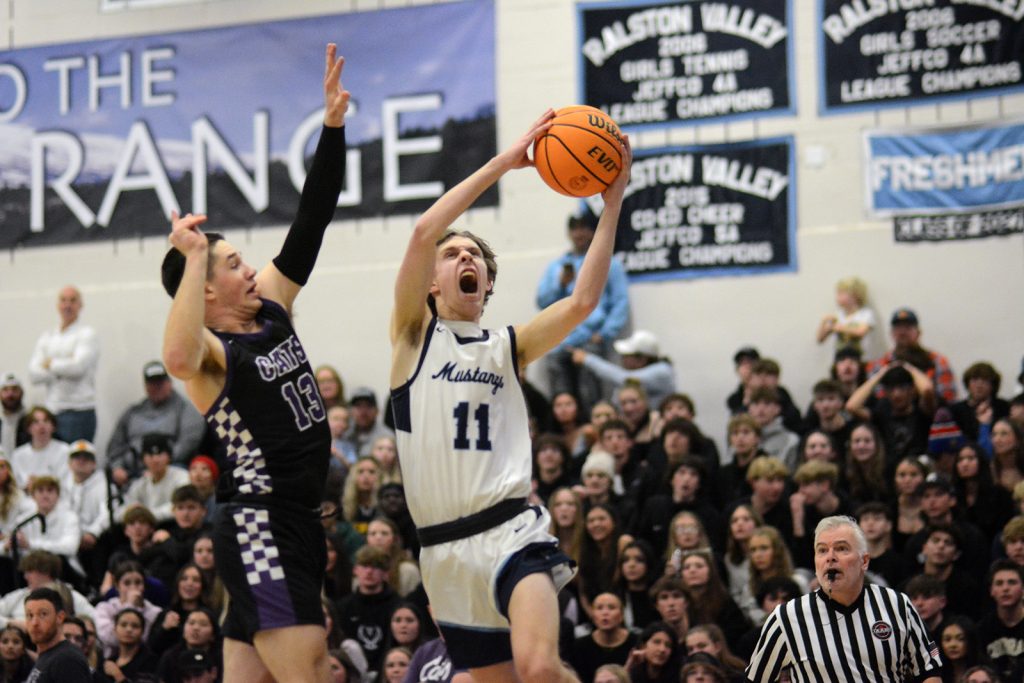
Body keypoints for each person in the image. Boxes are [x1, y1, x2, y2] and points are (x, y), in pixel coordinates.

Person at [387, 108, 631, 683]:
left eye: (474, 255)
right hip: (442, 554)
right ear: (429, 281)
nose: (463, 258)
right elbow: (423, 231)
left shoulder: (508, 346)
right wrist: (507, 161)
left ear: (488, 283)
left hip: (510, 529)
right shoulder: (412, 337)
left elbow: (580, 303)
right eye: (452, 255)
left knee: (541, 667)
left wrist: (613, 203)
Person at [158, 43, 349, 683]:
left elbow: (312, 222)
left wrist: (331, 129)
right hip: (260, 526)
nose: (249, 266)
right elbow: (178, 354)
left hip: (291, 523)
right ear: (206, 291)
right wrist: (191, 257)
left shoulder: (269, 308)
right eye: (234, 263)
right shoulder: (215, 356)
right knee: (314, 674)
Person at [745, 515, 942, 682]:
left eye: (841, 548)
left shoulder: (897, 604)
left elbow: (930, 668)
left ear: (864, 561)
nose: (830, 557)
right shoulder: (787, 617)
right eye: (822, 550)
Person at [536, 211, 631, 414]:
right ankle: (564, 428)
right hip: (562, 338)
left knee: (590, 389)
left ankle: (593, 423)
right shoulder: (557, 267)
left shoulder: (609, 264)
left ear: (593, 231)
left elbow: (620, 302)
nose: (579, 234)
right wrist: (560, 285)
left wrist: (604, 334)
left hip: (591, 337)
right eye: (574, 228)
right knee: (558, 384)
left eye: (584, 228)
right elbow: (542, 301)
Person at [106, 361, 207, 485]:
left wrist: (157, 466)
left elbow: (188, 444)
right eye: (152, 383)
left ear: (169, 382)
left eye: (160, 382)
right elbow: (115, 447)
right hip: (131, 473)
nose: (156, 387)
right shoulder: (133, 412)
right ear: (145, 386)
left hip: (170, 469)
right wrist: (117, 467)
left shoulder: (186, 409)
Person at [27, 286, 100, 443]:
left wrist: (50, 363)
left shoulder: (87, 334)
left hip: (80, 411)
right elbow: (33, 374)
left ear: (80, 305)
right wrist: (64, 364)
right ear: (57, 305)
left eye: (73, 301)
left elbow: (78, 367)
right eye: (63, 300)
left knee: (77, 465)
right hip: (52, 410)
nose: (67, 305)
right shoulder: (47, 337)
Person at [867, 307, 956, 404]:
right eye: (898, 328)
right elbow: (878, 401)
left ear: (918, 333)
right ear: (891, 334)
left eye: (908, 327)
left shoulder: (937, 361)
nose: (902, 332)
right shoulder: (880, 365)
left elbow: (947, 399)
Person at [571, 330, 675, 412]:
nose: (622, 359)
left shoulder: (662, 371)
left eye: (626, 356)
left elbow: (625, 378)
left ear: (642, 359)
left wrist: (587, 359)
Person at [116, 433, 192, 524]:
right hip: (146, 528)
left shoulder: (182, 476)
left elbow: (181, 507)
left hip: (175, 526)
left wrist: (145, 514)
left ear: (169, 456)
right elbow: (126, 508)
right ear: (143, 459)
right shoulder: (141, 483)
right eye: (150, 455)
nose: (155, 460)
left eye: (160, 454)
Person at [23, 587, 91, 682]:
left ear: (60, 617)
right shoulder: (49, 656)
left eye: (43, 614)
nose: (34, 623)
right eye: (30, 615)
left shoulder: (67, 660)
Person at [976, 560, 1024, 683]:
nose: (1005, 588)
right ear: (992, 590)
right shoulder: (982, 629)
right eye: (999, 583)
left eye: (1012, 582)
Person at [815, 276, 877, 358]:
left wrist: (836, 327)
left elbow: (861, 331)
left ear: (855, 295)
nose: (837, 297)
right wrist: (823, 322)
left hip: (860, 360)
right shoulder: (838, 315)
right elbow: (820, 339)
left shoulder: (865, 314)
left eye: (841, 293)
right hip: (840, 361)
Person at [10, 407, 69, 490]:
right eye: (36, 422)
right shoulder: (18, 455)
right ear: (29, 428)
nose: (42, 426)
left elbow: (66, 481)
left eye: (46, 421)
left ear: (53, 427)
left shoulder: (64, 450)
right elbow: (15, 484)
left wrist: (39, 483)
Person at [345, 388, 396, 458]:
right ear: (350, 411)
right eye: (358, 406)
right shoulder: (344, 432)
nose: (363, 412)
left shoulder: (387, 436)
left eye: (368, 406)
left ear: (377, 411)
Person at [0, 374, 28, 461]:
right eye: (5, 390)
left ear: (22, 393)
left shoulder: (30, 422)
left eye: (14, 389)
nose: (10, 394)